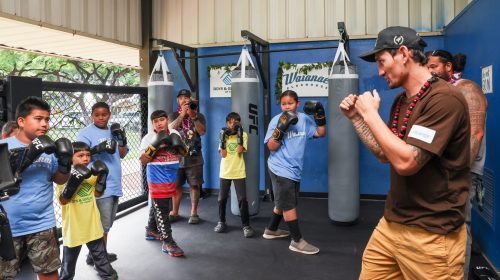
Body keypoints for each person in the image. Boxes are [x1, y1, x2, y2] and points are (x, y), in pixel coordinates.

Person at [340, 26, 470, 279]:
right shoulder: (401, 102)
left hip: (432, 235)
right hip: (392, 226)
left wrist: (370, 114)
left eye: (381, 62)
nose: (379, 72)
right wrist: (357, 118)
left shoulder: (444, 99)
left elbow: (407, 162)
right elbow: (384, 153)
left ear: (403, 53)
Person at [426, 49, 488, 280]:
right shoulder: (446, 92)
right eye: (428, 67)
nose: (430, 71)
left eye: (434, 67)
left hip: (463, 173)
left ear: (448, 67)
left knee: (460, 227)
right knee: (447, 227)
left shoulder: (467, 89)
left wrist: (456, 174)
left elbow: (476, 134)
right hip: (447, 173)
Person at [0, 96, 72, 280]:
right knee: (5, 275)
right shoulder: (4, 147)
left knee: (49, 274)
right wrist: (27, 157)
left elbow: (59, 179)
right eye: (38, 119)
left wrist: (65, 164)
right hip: (8, 226)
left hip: (42, 224)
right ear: (21, 121)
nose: (44, 124)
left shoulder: (51, 148)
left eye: (47, 119)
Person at [263, 90, 326, 255]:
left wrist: (320, 116)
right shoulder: (276, 120)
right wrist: (280, 129)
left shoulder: (304, 119)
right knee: (289, 204)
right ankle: (297, 241)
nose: (286, 106)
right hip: (279, 167)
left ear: (298, 103)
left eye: (290, 103)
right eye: (283, 104)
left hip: (294, 168)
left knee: (282, 200)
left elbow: (320, 133)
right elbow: (271, 147)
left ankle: (271, 229)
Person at [77, 102, 128, 265]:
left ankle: (96, 255)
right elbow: (78, 157)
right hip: (99, 184)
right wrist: (97, 149)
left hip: (114, 184)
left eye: (104, 114)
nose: (100, 117)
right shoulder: (85, 133)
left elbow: (122, 154)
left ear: (109, 115)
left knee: (107, 224)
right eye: (97, 114)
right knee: (102, 225)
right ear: (92, 115)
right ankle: (100, 259)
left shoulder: (114, 131)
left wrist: (122, 140)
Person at [57, 142, 117, 280]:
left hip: (92, 223)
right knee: (68, 267)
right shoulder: (64, 177)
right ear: (71, 158)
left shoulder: (92, 174)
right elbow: (62, 201)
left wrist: (102, 178)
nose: (85, 158)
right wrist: (73, 182)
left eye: (88, 155)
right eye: (80, 155)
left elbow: (97, 194)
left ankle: (108, 274)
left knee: (101, 258)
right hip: (74, 227)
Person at [139, 110, 186, 257]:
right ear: (152, 123)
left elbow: (183, 153)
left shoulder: (174, 134)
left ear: (167, 120)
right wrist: (155, 145)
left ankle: (151, 229)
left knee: (158, 205)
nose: (159, 123)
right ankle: (168, 241)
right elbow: (143, 160)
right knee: (163, 209)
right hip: (156, 177)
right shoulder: (148, 138)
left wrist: (177, 146)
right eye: (156, 121)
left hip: (171, 175)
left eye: (162, 120)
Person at [168, 89, 206, 224]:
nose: (184, 100)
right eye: (181, 98)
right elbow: (170, 129)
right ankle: (174, 212)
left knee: (194, 185)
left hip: (194, 157)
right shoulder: (172, 115)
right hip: (176, 157)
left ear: (190, 99)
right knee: (176, 186)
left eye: (186, 98)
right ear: (178, 100)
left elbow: (202, 132)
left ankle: (194, 213)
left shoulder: (198, 115)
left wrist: (193, 116)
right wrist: (182, 114)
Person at [215, 112, 255, 238]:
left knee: (242, 199)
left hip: (238, 171)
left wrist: (239, 135)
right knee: (222, 199)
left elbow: (239, 150)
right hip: (225, 171)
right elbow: (223, 155)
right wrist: (223, 140)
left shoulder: (243, 134)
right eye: (230, 122)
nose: (233, 124)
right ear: (227, 123)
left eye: (236, 122)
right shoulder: (223, 134)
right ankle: (221, 222)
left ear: (239, 123)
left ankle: (246, 225)